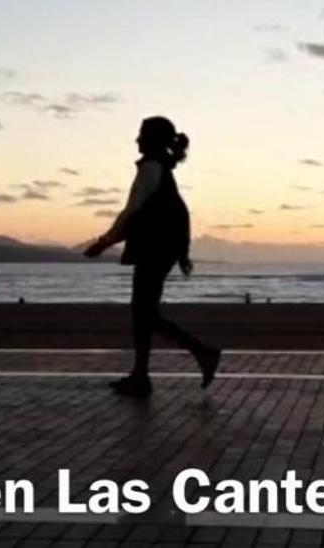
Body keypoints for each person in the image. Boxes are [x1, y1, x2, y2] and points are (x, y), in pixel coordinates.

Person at [84, 116, 221, 398]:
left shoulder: (151, 169)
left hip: (154, 249)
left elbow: (132, 212)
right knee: (144, 313)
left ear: (152, 139)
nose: (136, 140)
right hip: (162, 249)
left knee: (143, 312)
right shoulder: (161, 169)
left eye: (140, 135)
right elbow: (165, 213)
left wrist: (104, 242)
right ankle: (143, 375)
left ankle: (201, 353)